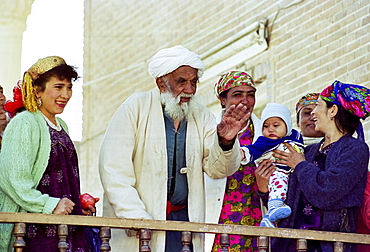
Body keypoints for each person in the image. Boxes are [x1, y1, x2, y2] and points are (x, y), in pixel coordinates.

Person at [99, 46, 249, 252]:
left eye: (193, 82)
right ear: (161, 82)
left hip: (184, 223)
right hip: (142, 222)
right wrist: (135, 216)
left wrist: (225, 141)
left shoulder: (202, 116)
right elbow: (114, 170)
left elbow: (219, 170)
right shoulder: (135, 107)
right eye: (181, 81)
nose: (189, 89)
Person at [0, 56, 95, 252]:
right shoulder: (24, 122)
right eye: (58, 87)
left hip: (66, 227)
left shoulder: (64, 127)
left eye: (69, 87)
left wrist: (77, 204)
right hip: (35, 231)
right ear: (37, 90)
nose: (66, 95)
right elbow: (12, 180)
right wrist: (48, 204)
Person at [271, 80, 370, 252]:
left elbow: (328, 191)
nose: (313, 113)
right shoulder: (308, 151)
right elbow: (291, 199)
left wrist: (300, 165)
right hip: (294, 245)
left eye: (317, 105)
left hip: (330, 245)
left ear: (332, 111)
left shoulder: (356, 149)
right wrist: (266, 189)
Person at [210, 71, 275, 252]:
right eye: (237, 94)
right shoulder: (207, 131)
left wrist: (265, 187)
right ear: (223, 99)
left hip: (255, 216)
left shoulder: (269, 134)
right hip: (218, 219)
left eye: (250, 95)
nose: (245, 101)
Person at [239, 103, 304, 228]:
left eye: (276, 125)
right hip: (275, 171)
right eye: (266, 126)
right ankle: (275, 205)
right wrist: (243, 153)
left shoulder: (295, 136)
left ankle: (269, 219)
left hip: (292, 175)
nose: (270, 129)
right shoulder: (266, 141)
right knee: (278, 181)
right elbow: (255, 149)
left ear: (287, 126)